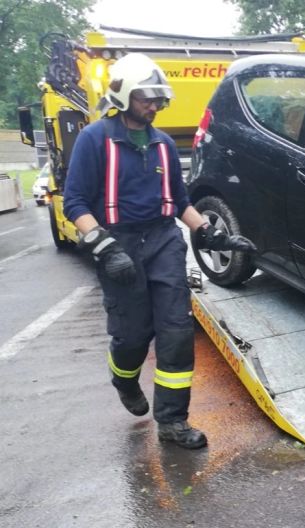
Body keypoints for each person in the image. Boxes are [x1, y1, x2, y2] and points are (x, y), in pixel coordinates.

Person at [63, 53, 256, 449]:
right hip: (119, 244)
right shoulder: (94, 139)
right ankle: (124, 377)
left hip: (164, 241)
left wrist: (210, 233)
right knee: (133, 335)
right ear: (123, 96)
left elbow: (179, 201)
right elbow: (75, 203)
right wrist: (105, 247)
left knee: (176, 334)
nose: (154, 105)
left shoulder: (164, 144)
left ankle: (171, 422)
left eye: (157, 99)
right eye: (146, 98)